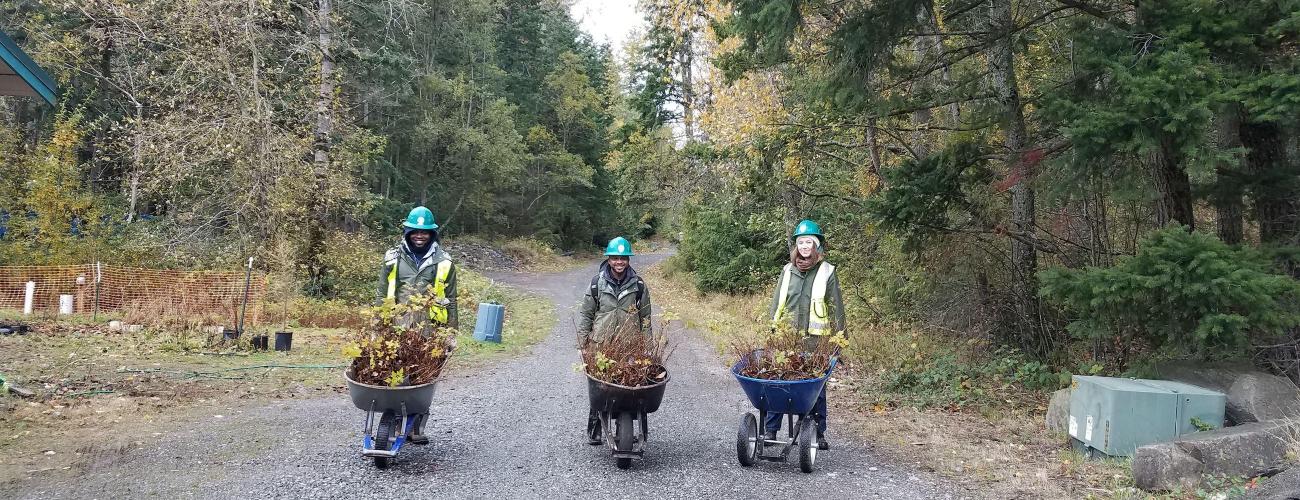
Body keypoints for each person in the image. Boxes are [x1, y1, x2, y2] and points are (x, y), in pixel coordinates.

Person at [375, 206, 458, 445]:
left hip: (429, 328)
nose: (419, 236)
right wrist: (377, 326)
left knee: (423, 379)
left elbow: (451, 299)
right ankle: (393, 422)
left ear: (432, 234)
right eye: (415, 231)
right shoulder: (393, 258)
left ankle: (416, 427)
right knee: (396, 375)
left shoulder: (444, 262)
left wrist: (451, 332)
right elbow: (382, 294)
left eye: (424, 232)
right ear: (407, 232)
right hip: (397, 326)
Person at [764, 219, 845, 450]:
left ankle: (817, 433)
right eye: (801, 242)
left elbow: (836, 308)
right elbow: (777, 303)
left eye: (809, 241)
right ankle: (771, 430)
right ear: (796, 246)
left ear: (817, 245)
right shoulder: (787, 271)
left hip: (815, 341)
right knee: (778, 382)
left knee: (815, 388)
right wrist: (772, 332)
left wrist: (838, 343)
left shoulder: (827, 272)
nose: (805, 246)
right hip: (785, 339)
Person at [577, 236, 653, 445]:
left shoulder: (638, 285)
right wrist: (583, 345)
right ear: (608, 259)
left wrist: (647, 347)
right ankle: (595, 429)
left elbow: (645, 318)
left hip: (629, 346)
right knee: (600, 388)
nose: (619, 262)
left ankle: (634, 425)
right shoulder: (596, 283)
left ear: (629, 260)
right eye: (615, 258)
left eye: (623, 258)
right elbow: (586, 315)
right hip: (601, 346)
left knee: (630, 386)